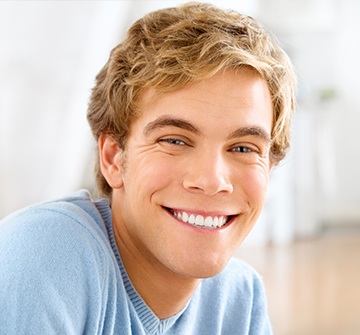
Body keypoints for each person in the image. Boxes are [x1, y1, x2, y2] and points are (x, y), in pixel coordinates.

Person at [0, 2, 296, 334]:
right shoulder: (43, 257)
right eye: (174, 141)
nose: (211, 180)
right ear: (114, 158)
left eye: (243, 148)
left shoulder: (239, 300)